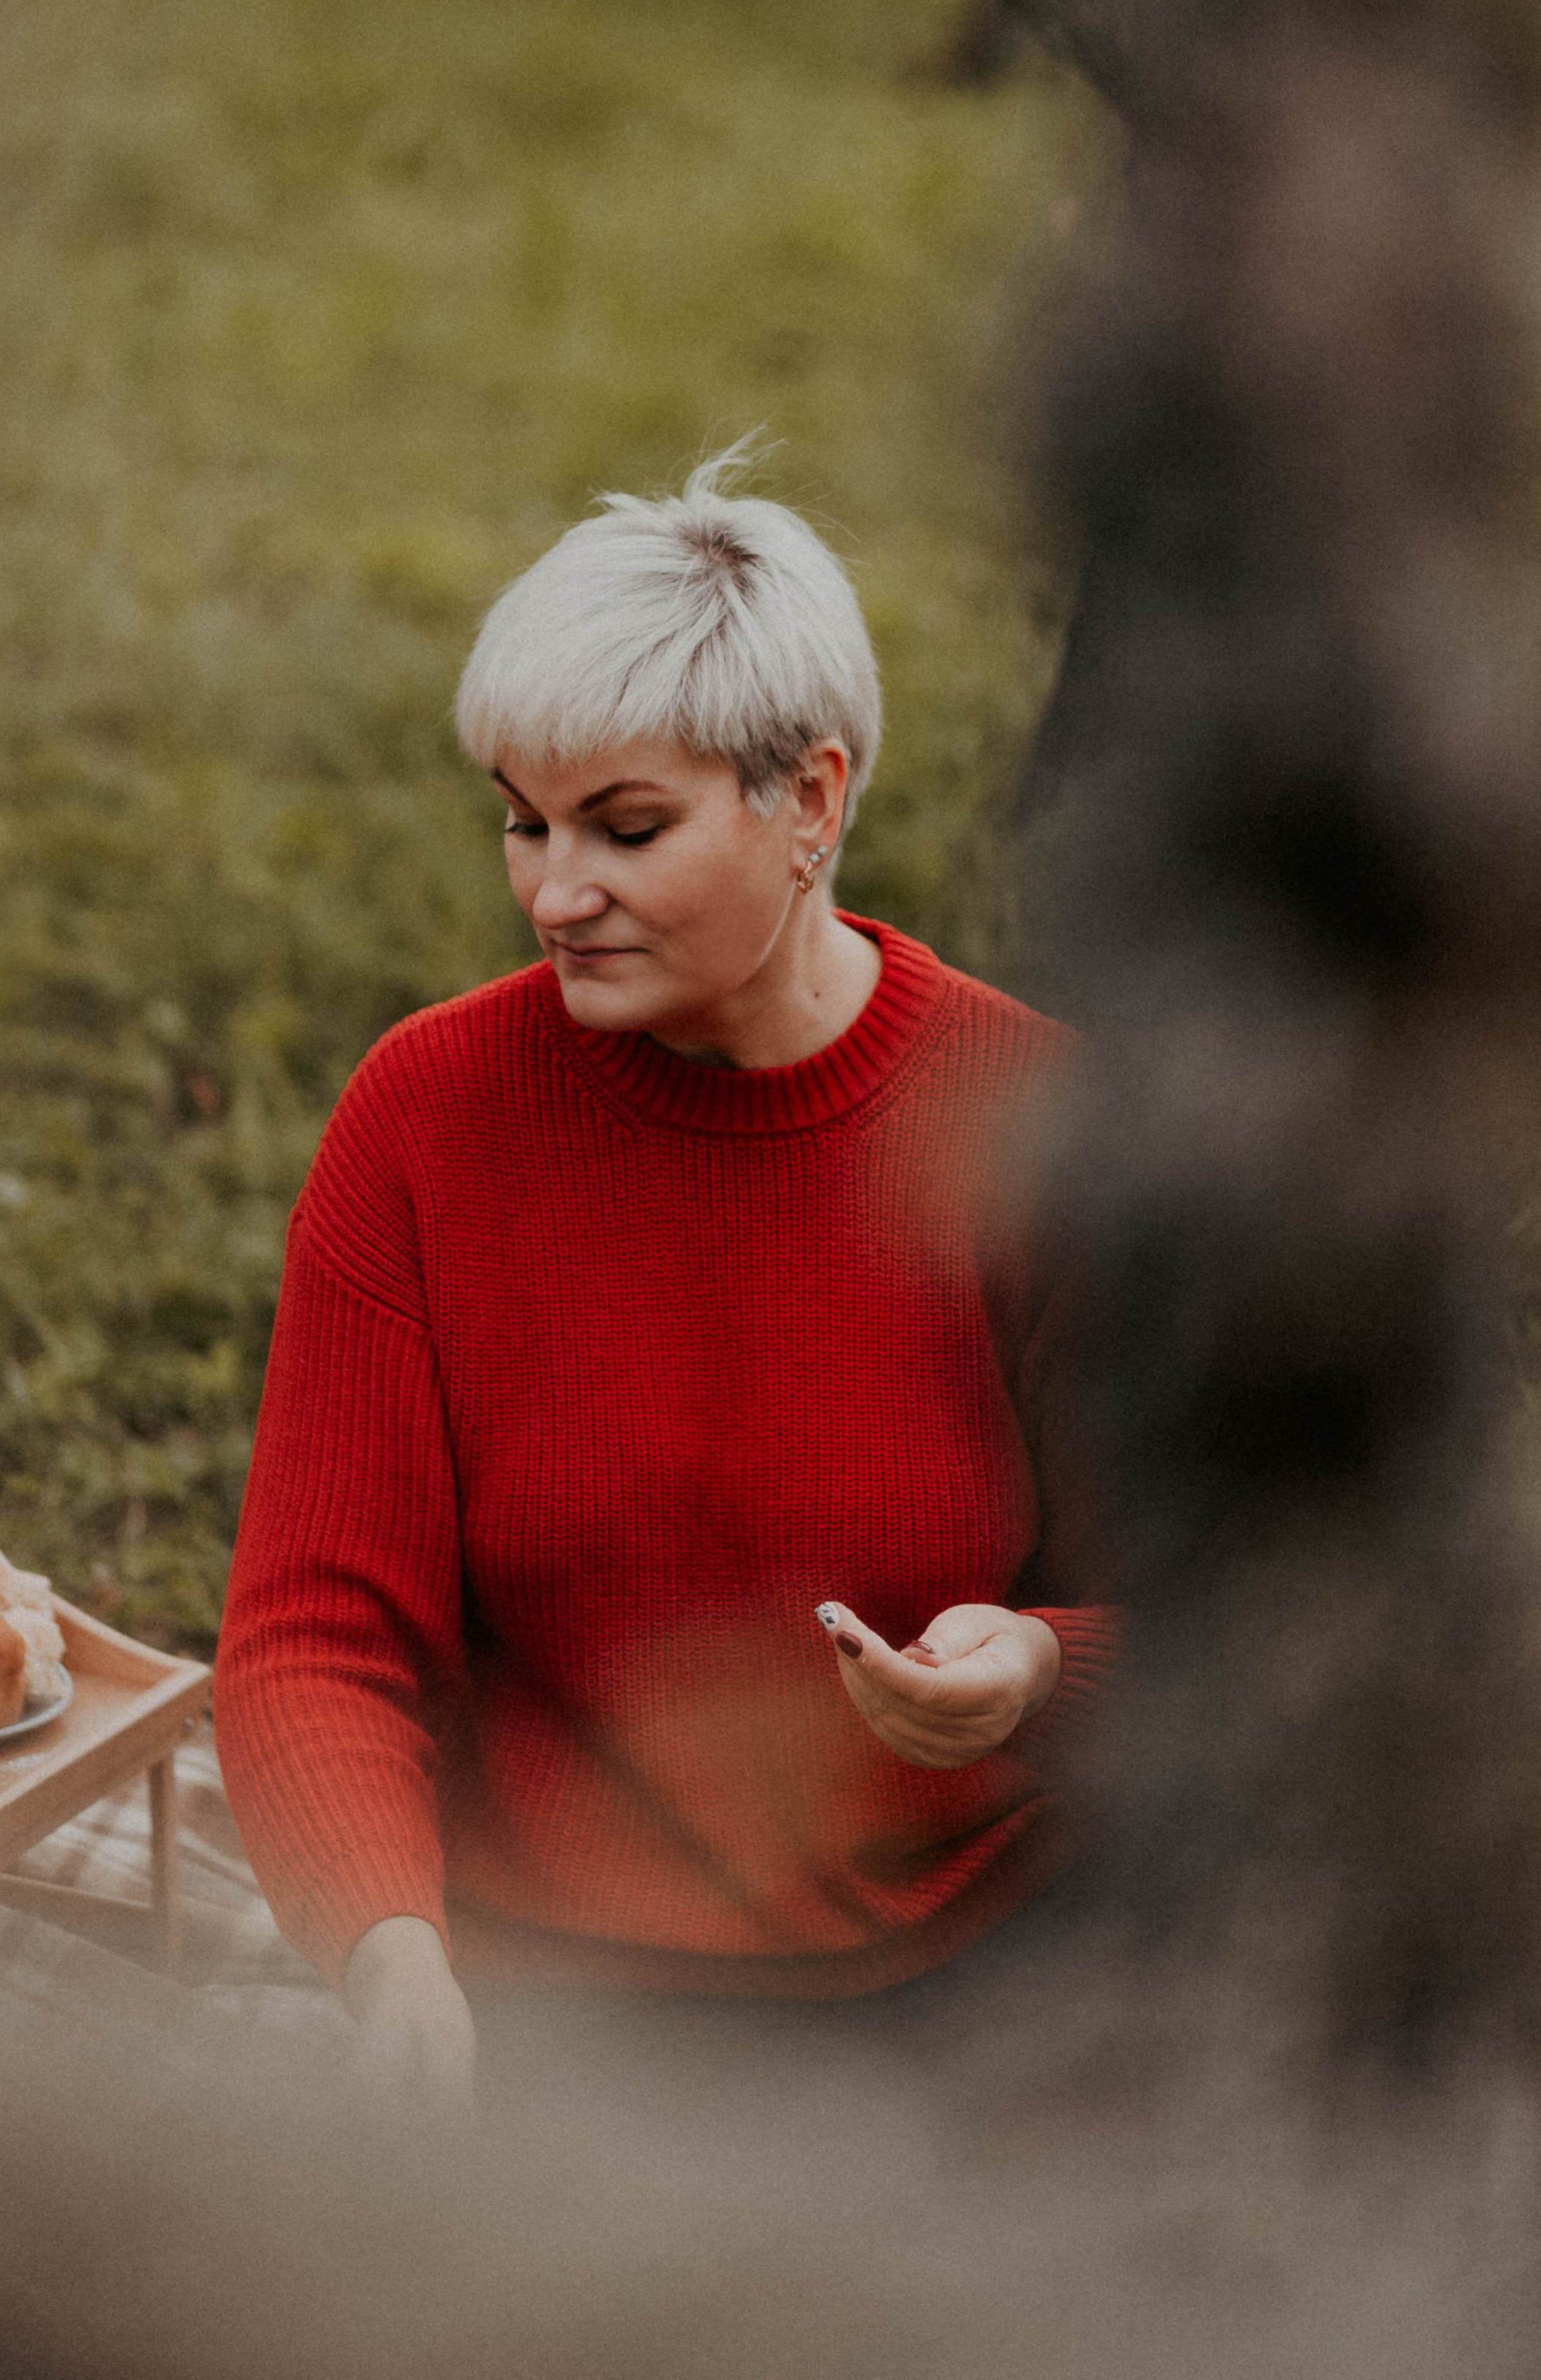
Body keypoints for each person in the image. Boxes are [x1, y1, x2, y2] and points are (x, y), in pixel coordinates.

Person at [214, 457, 1117, 2108]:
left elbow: (1225, 1616)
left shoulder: (1033, 1134)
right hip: (533, 2014)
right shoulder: (422, 1122)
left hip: (972, 1998)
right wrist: (385, 1952)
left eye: (626, 829)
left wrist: (1040, 1666)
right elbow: (312, 1636)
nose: (554, 894)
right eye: (522, 820)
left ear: (812, 804)